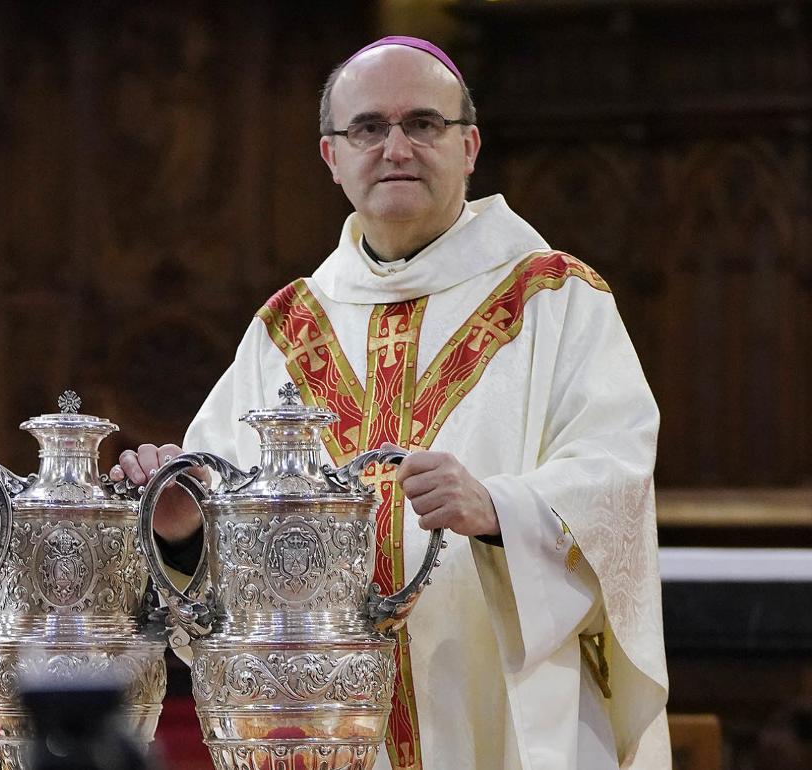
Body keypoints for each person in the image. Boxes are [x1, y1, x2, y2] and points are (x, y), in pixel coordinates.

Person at [110, 36, 669, 770]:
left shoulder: (556, 299)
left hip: (499, 715)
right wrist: (185, 530)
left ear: (469, 146)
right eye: (368, 127)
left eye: (424, 124)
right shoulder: (287, 326)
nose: (396, 146)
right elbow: (227, 552)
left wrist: (500, 509)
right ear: (331, 157)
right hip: (322, 721)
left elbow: (617, 475)